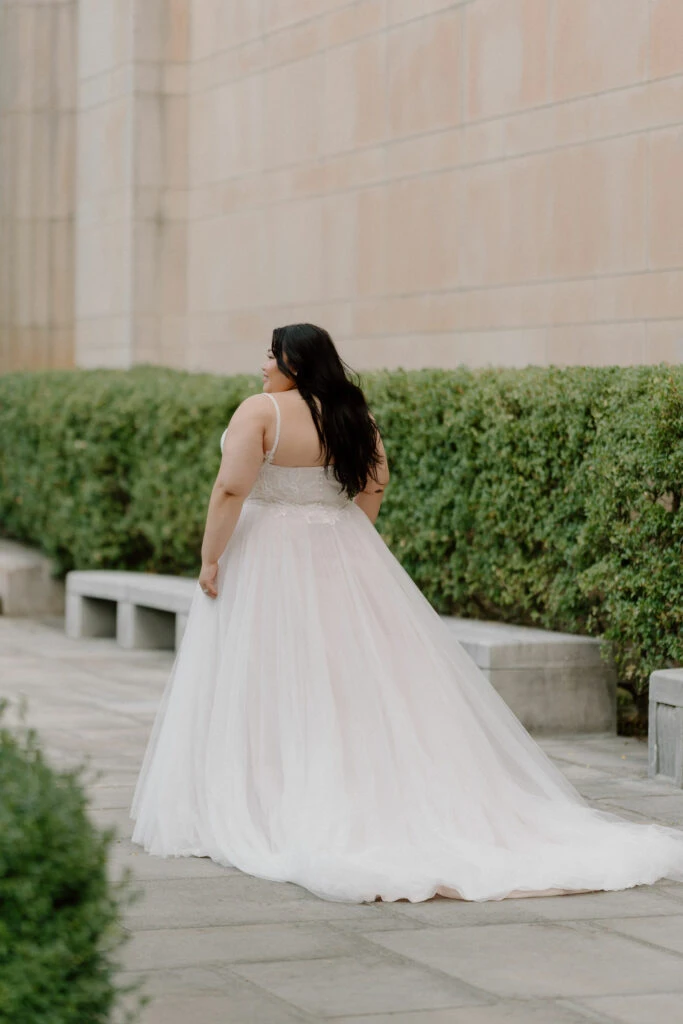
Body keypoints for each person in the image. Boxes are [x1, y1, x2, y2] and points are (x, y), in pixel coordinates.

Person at [130, 323, 683, 904]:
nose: (263, 362)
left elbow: (229, 491)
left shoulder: (261, 411)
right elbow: (375, 483)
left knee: (264, 674)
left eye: (271, 353)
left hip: (266, 556)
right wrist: (346, 538)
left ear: (294, 360)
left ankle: (262, 796)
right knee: (347, 680)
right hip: (338, 555)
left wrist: (210, 559)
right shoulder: (351, 414)